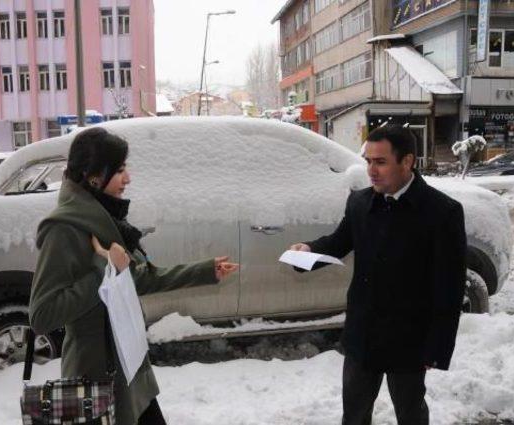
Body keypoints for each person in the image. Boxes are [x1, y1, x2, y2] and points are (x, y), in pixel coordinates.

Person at [29, 127, 238, 425]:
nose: (128, 178)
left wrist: (205, 271)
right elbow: (42, 315)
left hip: (129, 367)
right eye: (120, 170)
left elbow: (136, 277)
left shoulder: (103, 217)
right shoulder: (65, 229)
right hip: (98, 380)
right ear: (94, 176)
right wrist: (105, 269)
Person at [289, 126, 467, 425]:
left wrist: (437, 349)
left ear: (407, 161)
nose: (371, 170)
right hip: (363, 334)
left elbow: (449, 287)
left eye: (380, 162)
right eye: (368, 161)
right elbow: (339, 242)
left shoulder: (442, 212)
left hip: (409, 340)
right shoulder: (360, 202)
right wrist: (306, 251)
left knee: (410, 414)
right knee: (355, 415)